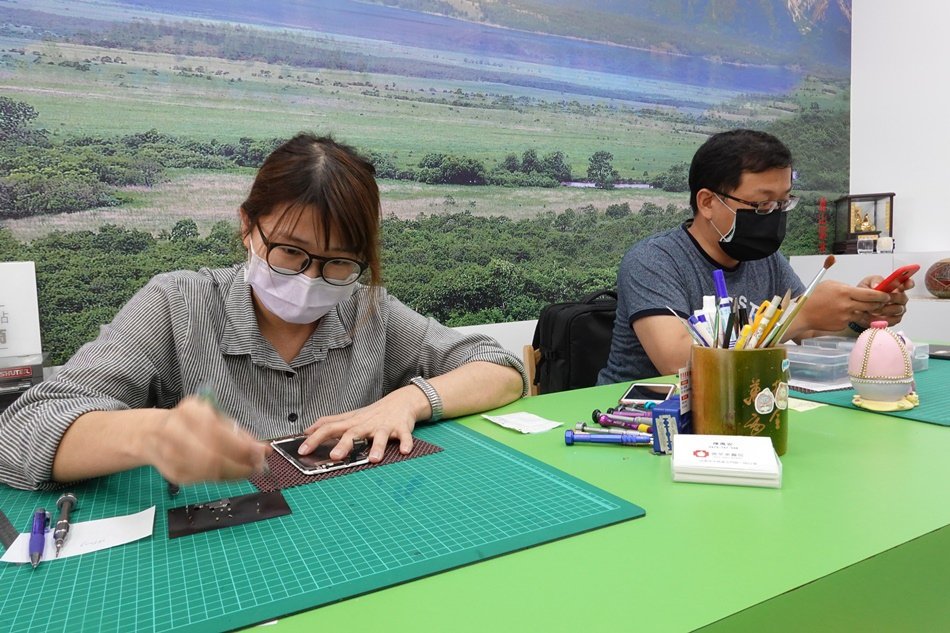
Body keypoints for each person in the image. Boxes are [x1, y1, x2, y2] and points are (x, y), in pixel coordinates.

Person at [0, 133, 527, 491]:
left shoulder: (370, 313)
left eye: (339, 263)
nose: (309, 279)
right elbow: (23, 427)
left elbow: (501, 370)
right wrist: (154, 436)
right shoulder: (177, 304)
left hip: (345, 535)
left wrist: (410, 401)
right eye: (290, 251)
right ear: (248, 227)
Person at [598, 129, 912, 384]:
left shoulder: (766, 259)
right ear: (707, 202)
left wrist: (859, 314)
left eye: (782, 203)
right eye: (761, 205)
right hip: (640, 416)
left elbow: (812, 331)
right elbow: (676, 361)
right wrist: (797, 315)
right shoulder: (653, 260)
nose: (772, 215)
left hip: (733, 408)